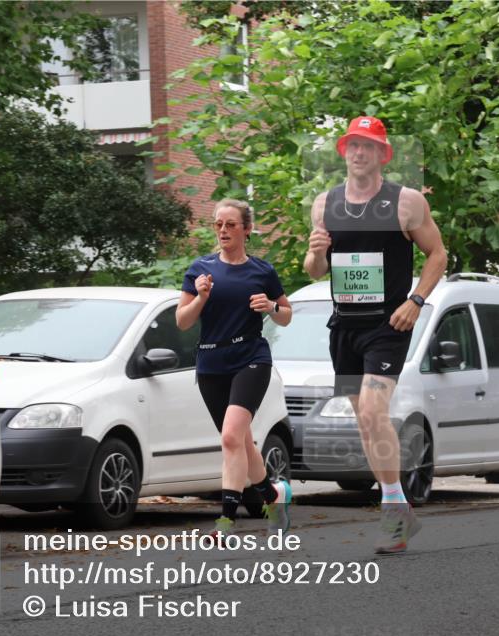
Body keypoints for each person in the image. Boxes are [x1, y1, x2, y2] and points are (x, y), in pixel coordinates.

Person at [304, 116, 447, 554]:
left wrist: (416, 301)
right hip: (343, 326)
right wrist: (314, 255)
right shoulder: (323, 204)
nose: (359, 153)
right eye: (353, 146)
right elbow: (315, 271)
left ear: (383, 154)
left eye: (368, 146)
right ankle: (399, 509)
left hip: (388, 326)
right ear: (343, 152)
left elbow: (438, 254)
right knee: (365, 423)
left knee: (371, 410)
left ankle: (391, 510)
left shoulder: (405, 202)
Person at [176, 199, 293, 542]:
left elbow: (285, 314)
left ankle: (226, 521)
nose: (223, 230)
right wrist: (200, 298)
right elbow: (183, 322)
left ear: (246, 229)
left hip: (251, 358)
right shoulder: (201, 269)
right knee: (240, 441)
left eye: (230, 224)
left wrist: (271, 307)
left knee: (230, 437)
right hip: (211, 363)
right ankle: (272, 497)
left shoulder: (261, 270)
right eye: (218, 225)